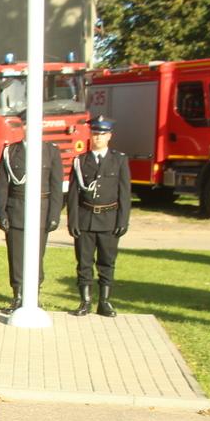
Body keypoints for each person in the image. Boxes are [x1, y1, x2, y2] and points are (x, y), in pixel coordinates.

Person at [67, 115, 130, 317]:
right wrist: (73, 221)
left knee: (107, 263)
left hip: (109, 220)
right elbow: (73, 195)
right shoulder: (81, 161)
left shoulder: (119, 160)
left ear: (109, 136)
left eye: (102, 134)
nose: (98, 138)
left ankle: (105, 302)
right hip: (85, 219)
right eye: (95, 134)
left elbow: (124, 193)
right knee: (84, 263)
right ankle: (85, 301)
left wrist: (123, 220)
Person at [0, 139, 63, 312]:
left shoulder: (51, 151)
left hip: (41, 210)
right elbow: (2, 185)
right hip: (16, 209)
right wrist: (1, 212)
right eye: (24, 125)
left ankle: (34, 296)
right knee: (16, 256)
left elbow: (56, 185)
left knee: (37, 256)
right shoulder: (11, 151)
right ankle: (17, 296)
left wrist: (54, 215)